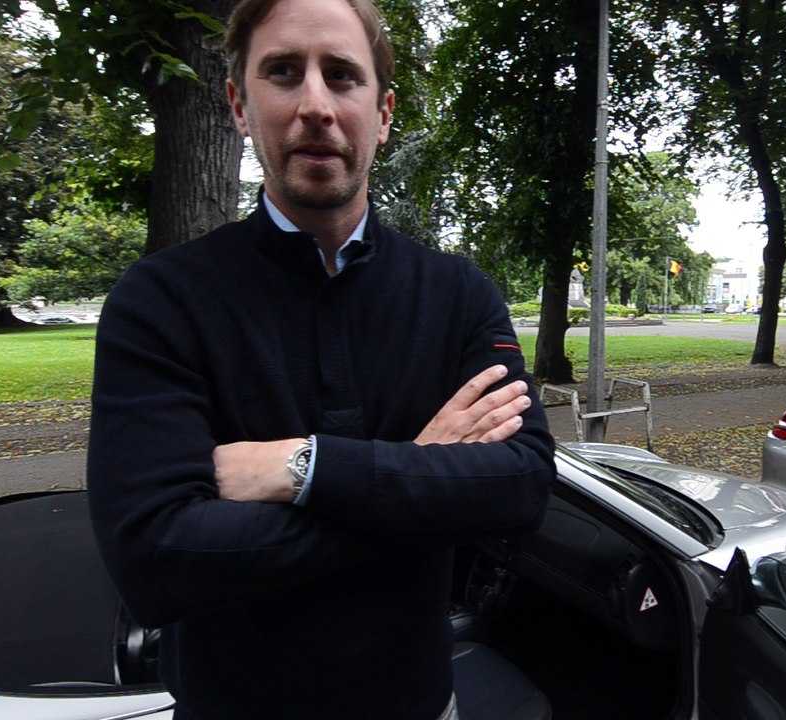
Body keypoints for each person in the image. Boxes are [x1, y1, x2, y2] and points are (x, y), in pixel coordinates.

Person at [84, 0, 556, 718]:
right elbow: (156, 560)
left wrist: (304, 466)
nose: (314, 105)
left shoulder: (459, 295)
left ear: (384, 111)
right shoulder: (161, 302)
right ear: (240, 105)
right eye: (282, 72)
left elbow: (519, 487)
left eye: (341, 75)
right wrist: (419, 470)